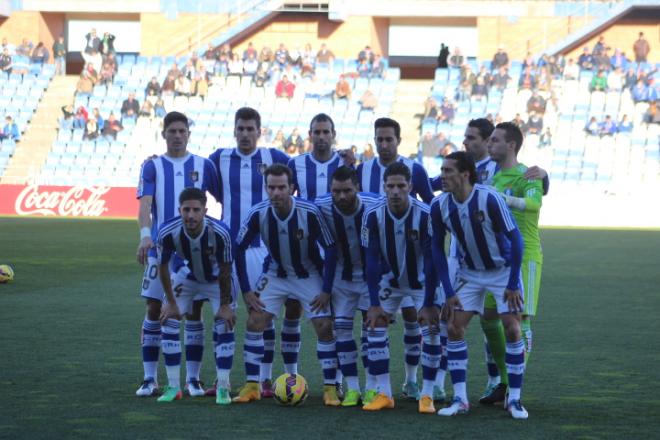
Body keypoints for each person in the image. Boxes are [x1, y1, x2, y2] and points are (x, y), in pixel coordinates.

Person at [429, 150, 528, 419]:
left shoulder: (489, 198)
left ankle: (515, 399)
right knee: (453, 327)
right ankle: (460, 398)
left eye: (449, 171)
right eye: (442, 170)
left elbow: (515, 239)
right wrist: (448, 291)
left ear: (465, 174)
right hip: (469, 273)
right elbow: (437, 249)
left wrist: (512, 282)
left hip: (502, 271)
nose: (443, 176)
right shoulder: (440, 205)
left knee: (512, 328)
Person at [233, 164, 341, 406]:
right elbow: (237, 248)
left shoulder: (309, 212)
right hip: (275, 274)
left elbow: (331, 248)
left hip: (308, 274)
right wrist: (247, 290)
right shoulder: (258, 213)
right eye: (271, 187)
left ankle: (331, 388)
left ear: (292, 188)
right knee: (255, 320)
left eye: (282, 187)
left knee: (324, 326)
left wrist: (326, 288)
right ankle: (252, 385)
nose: (276, 192)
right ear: (266, 188)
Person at [208, 107, 296, 398]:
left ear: (260, 131)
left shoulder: (276, 158)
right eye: (241, 129)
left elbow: (297, 179)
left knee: (263, 314)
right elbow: (210, 188)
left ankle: (264, 380)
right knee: (225, 313)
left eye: (250, 129)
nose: (245, 134)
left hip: (263, 250)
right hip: (227, 250)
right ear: (234, 130)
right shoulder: (218, 158)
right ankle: (222, 380)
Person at [135, 112, 220, 398]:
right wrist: (145, 236)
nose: (177, 135)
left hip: (193, 251)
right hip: (160, 249)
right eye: (172, 130)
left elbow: (224, 196)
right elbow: (145, 204)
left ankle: (192, 379)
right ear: (164, 134)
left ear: (188, 134)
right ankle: (150, 378)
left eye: (182, 130)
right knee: (153, 308)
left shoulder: (204, 165)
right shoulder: (152, 166)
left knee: (194, 311)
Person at [356, 117, 434, 402]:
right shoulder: (361, 170)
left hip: (415, 263)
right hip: (385, 267)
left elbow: (430, 204)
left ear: (399, 140)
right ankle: (378, 389)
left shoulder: (416, 170)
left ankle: (416, 383)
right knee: (373, 322)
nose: (384, 144)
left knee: (419, 320)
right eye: (380, 139)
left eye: (389, 139)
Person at [156, 188, 235, 404]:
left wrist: (225, 305)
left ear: (205, 211)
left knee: (225, 323)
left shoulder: (220, 232)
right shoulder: (167, 231)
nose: (190, 215)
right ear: (179, 210)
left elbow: (226, 269)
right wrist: (171, 302)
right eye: (186, 210)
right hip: (186, 278)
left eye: (196, 210)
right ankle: (173, 387)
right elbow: (163, 267)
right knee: (168, 319)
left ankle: (223, 387)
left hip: (217, 280)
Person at [315, 166, 383, 406]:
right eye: (336, 191)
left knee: (373, 333)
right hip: (341, 280)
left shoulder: (375, 204)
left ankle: (373, 388)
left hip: (370, 279)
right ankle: (353, 389)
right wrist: (324, 287)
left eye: (347, 191)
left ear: (357, 188)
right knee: (342, 331)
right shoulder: (321, 206)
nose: (341, 196)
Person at [288, 113, 352, 200]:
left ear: (333, 134)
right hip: (306, 214)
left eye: (326, 132)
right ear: (310, 134)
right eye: (317, 132)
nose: (321, 137)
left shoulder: (345, 162)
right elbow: (287, 198)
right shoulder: (295, 163)